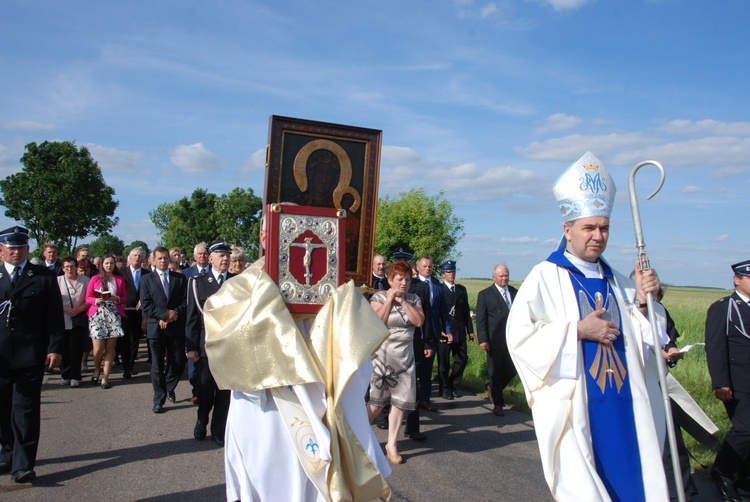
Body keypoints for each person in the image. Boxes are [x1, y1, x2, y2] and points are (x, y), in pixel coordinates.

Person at [506, 152, 671, 501]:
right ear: (567, 230)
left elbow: (650, 344)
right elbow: (519, 338)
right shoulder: (545, 277)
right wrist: (576, 331)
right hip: (577, 405)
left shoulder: (623, 284)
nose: (598, 236)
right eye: (589, 227)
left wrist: (644, 302)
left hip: (627, 405)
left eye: (604, 227)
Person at [203, 214, 391, 501]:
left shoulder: (340, 292)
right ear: (264, 238)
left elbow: (359, 365)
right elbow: (227, 350)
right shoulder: (242, 290)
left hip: (325, 410)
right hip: (269, 414)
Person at [0, 225, 64, 483]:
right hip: (1, 355)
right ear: (1, 250)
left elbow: (54, 316)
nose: (16, 252)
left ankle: (23, 464)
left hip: (31, 353)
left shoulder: (42, 276)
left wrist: (54, 347)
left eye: (21, 247)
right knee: (2, 408)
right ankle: (7, 452)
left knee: (25, 409)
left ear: (28, 249)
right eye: (11, 247)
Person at [367, 260, 425, 464]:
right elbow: (376, 322)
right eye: (399, 279)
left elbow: (418, 322)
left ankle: (392, 445)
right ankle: (356, 436)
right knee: (376, 403)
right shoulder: (379, 297)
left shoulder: (415, 298)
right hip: (383, 357)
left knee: (399, 404)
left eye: (407, 279)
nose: (403, 283)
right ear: (390, 280)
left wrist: (404, 302)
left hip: (405, 358)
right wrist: (390, 301)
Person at [706, 259, 750, 501]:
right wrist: (720, 382)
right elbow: (715, 347)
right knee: (745, 430)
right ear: (737, 280)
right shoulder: (724, 308)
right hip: (738, 383)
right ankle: (721, 472)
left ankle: (744, 484)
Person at [185, 240, 234, 447]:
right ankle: (201, 418)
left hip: (229, 346)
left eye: (227, 255)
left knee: (225, 392)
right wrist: (192, 347)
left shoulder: (236, 281)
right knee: (205, 389)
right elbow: (192, 317)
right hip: (207, 345)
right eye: (221, 255)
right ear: (210, 258)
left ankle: (218, 430)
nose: (225, 259)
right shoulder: (197, 282)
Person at [140, 246, 188, 413]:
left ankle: (169, 386)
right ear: (153, 260)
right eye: (159, 258)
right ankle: (158, 399)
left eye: (165, 258)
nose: (163, 261)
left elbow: (185, 301)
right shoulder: (146, 279)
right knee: (157, 365)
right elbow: (146, 304)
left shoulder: (180, 278)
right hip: (156, 328)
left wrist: (173, 314)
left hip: (175, 326)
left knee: (178, 361)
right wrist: (163, 315)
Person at [476, 263, 517, 415]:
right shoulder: (485, 294)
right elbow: (481, 319)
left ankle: (492, 387)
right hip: (494, 340)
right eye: (501, 276)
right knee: (495, 372)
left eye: (506, 275)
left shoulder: (515, 293)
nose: (504, 278)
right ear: (494, 277)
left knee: (512, 369)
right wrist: (483, 339)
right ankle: (498, 404)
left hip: (512, 341)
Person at [415, 256, 452, 411]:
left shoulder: (437, 286)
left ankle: (425, 399)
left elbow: (444, 311)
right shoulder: (412, 285)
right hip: (416, 332)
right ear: (418, 268)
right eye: (425, 266)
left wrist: (448, 330)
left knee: (427, 369)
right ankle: (412, 400)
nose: (428, 268)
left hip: (433, 333)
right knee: (414, 368)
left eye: (430, 266)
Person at [85, 254, 127, 389]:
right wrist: (97, 300)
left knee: (110, 348)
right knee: (98, 349)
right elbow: (88, 297)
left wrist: (116, 299)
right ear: (102, 265)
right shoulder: (95, 278)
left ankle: (105, 377)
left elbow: (124, 297)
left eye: (112, 263)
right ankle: (97, 369)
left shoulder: (119, 280)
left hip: (113, 314)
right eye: (107, 263)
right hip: (97, 314)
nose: (109, 266)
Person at [438, 260, 474, 400]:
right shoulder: (440, 289)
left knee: (462, 359)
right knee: (444, 363)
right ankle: (444, 388)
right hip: (444, 332)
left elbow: (465, 312)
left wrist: (470, 331)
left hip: (459, 331)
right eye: (448, 272)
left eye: (453, 271)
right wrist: (440, 330)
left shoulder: (461, 290)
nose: (451, 274)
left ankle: (454, 384)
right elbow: (437, 313)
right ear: (443, 274)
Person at [58, 256, 90, 387]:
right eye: (67, 267)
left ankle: (75, 376)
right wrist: (65, 308)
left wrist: (80, 309)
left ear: (76, 267)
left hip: (79, 318)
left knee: (76, 348)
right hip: (63, 318)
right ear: (63, 268)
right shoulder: (58, 281)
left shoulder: (85, 280)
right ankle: (65, 375)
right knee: (64, 348)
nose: (70, 269)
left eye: (72, 266)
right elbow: (53, 299)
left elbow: (90, 298)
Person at [120, 247, 149, 379]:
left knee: (134, 340)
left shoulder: (147, 274)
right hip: (124, 311)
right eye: (135, 255)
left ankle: (130, 365)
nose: (137, 258)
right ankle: (126, 365)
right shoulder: (121, 273)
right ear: (129, 258)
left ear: (143, 259)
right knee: (124, 340)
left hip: (139, 313)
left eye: (140, 256)